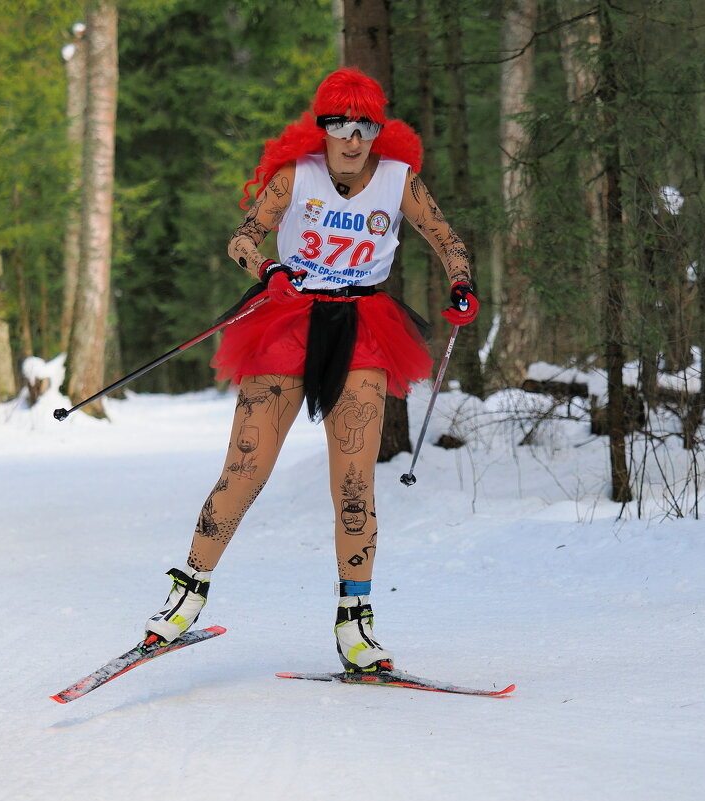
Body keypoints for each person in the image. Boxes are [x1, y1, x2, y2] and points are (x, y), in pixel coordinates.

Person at [144, 67, 478, 674]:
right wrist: (269, 271)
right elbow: (243, 239)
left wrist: (461, 283)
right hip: (289, 321)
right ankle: (185, 595)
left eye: (364, 126)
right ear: (320, 127)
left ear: (379, 130)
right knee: (245, 469)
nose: (352, 139)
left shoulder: (400, 181)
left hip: (363, 328)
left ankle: (356, 625)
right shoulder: (297, 177)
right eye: (339, 125)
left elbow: (447, 238)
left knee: (355, 485)